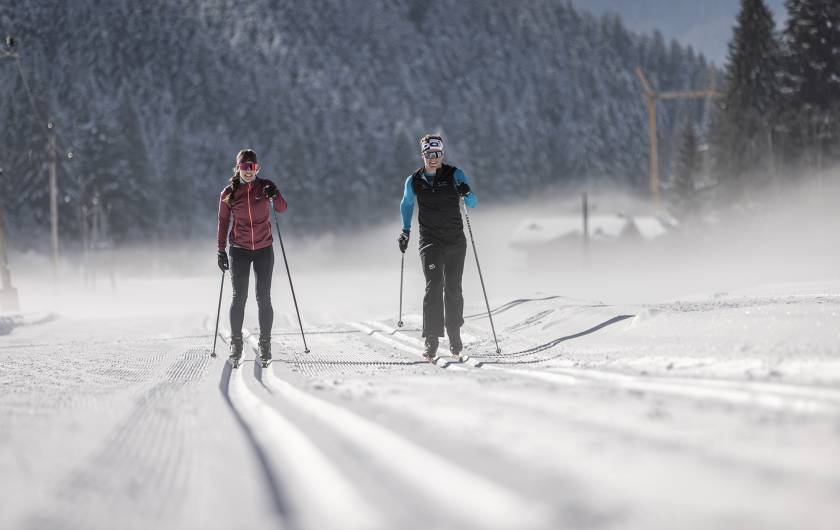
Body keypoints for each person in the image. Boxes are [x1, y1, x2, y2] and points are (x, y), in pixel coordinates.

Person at [398, 134, 477, 361]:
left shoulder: (455, 175)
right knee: (434, 286)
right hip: (429, 239)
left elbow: (473, 202)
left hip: (455, 240)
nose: (433, 159)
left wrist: (466, 192)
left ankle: (454, 333)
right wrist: (405, 232)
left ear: (442, 154)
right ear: (422, 155)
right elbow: (406, 204)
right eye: (428, 155)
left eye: (437, 154)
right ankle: (431, 339)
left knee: (453, 287)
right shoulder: (413, 180)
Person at [216, 149, 287, 365]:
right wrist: (220, 250)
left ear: (258, 168)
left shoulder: (264, 187)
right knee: (239, 297)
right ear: (237, 168)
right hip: (239, 249)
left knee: (263, 297)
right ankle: (236, 344)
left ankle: (265, 344)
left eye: (252, 167)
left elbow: (282, 209)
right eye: (245, 167)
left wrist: (276, 194)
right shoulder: (228, 193)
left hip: (264, 248)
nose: (249, 171)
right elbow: (223, 222)